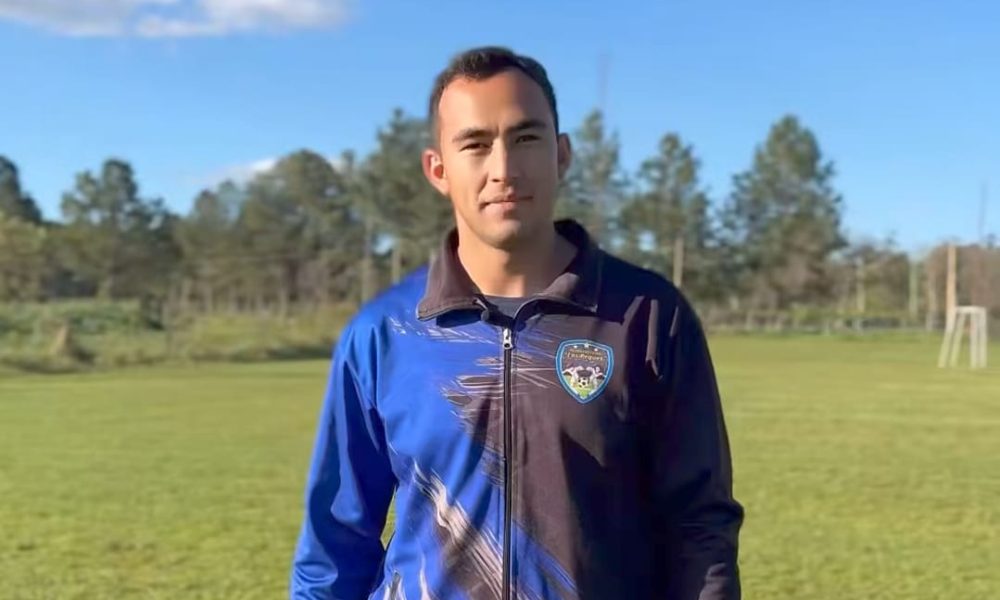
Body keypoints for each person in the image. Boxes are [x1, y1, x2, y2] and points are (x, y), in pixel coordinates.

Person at [290, 46, 743, 600]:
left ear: (562, 155)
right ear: (438, 169)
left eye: (525, 138)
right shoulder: (383, 333)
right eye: (475, 144)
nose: (503, 169)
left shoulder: (646, 317)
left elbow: (698, 523)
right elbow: (335, 543)